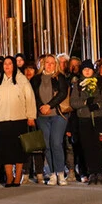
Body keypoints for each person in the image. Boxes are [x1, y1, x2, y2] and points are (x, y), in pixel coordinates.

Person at [0, 56, 37, 187]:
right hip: (2, 120)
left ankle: (18, 176)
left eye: (10, 63)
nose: (7, 66)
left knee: (18, 149)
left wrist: (31, 116)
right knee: (5, 150)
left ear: (14, 65)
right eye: (5, 64)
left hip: (19, 119)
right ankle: (9, 176)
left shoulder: (22, 80)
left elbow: (29, 98)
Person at [29, 53, 70, 186]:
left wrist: (49, 105)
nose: (50, 65)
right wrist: (41, 106)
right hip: (42, 117)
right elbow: (34, 95)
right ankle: (52, 173)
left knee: (56, 143)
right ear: (43, 64)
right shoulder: (35, 79)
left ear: (56, 64)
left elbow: (63, 93)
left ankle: (60, 173)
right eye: (47, 62)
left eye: (53, 63)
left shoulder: (60, 77)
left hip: (58, 115)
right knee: (47, 146)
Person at [70, 59, 102, 185]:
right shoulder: (77, 84)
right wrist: (85, 103)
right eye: (84, 69)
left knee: (98, 146)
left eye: (89, 69)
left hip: (98, 118)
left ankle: (99, 171)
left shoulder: (100, 82)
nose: (87, 71)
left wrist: (97, 105)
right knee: (87, 147)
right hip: (84, 118)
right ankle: (91, 172)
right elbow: (73, 102)